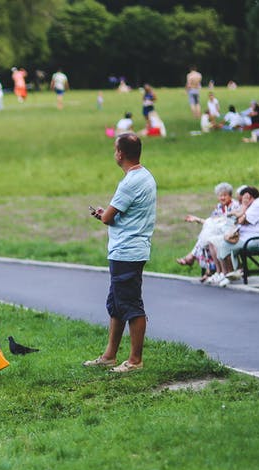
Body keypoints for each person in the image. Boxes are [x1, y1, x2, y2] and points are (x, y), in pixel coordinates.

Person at [86, 133, 156, 373]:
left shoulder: (130, 182)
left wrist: (102, 214)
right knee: (117, 303)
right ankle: (109, 355)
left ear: (120, 154)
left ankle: (135, 360)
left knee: (131, 305)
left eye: (115, 149)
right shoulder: (145, 176)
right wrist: (108, 214)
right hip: (130, 248)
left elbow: (107, 218)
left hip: (127, 250)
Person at [177, 182, 239, 282]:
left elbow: (231, 223)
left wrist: (200, 220)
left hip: (230, 233)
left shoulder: (235, 206)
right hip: (219, 232)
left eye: (225, 195)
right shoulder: (219, 207)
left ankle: (203, 266)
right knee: (207, 238)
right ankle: (210, 270)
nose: (222, 198)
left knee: (206, 238)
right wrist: (197, 219)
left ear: (230, 195)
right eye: (220, 195)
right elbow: (212, 221)